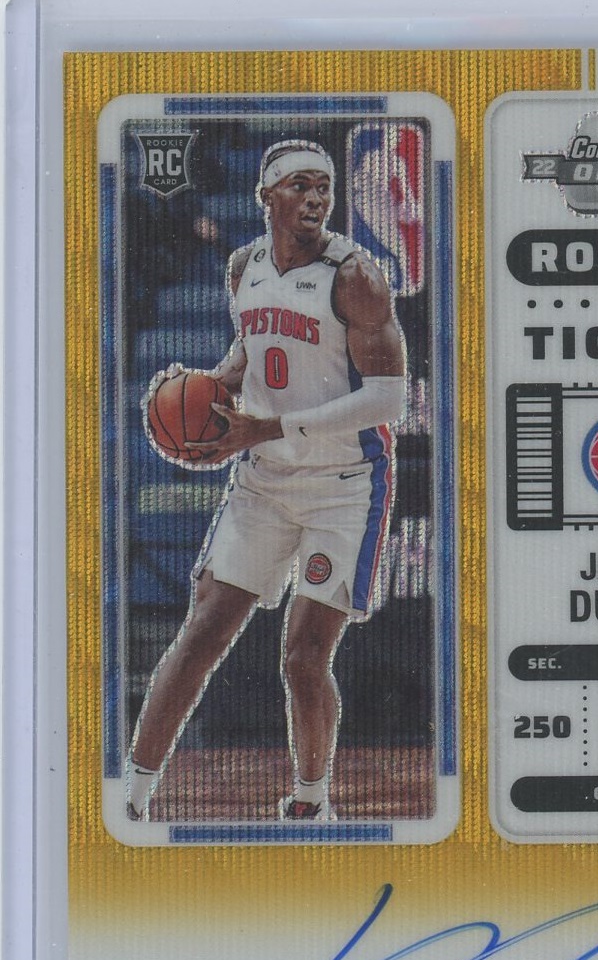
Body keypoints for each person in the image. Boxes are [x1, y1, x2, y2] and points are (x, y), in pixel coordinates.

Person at [126, 139, 407, 822]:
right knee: (202, 631)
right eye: (299, 185)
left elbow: (387, 399)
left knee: (304, 656)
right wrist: (207, 388)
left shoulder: (355, 277)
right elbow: (251, 355)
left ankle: (311, 799)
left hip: (344, 484)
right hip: (265, 483)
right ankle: (131, 797)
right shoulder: (242, 267)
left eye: (323, 187)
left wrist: (266, 427)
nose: (315, 198)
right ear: (267, 196)